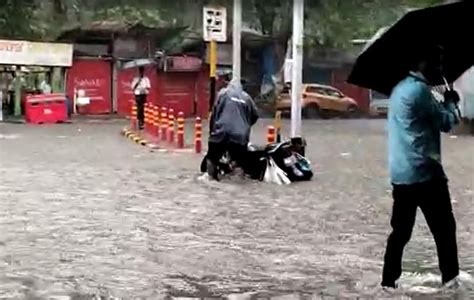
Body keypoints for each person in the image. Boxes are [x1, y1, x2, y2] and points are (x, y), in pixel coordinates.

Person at [382, 50, 461, 289]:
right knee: (444, 230)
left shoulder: (398, 89)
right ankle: (451, 281)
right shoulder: (419, 91)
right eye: (435, 62)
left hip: (401, 173)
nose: (438, 67)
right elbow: (447, 123)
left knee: (401, 232)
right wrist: (450, 102)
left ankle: (388, 281)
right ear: (421, 62)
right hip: (425, 173)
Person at [206, 78, 259, 180]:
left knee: (212, 158)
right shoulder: (247, 98)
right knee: (240, 161)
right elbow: (255, 115)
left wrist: (212, 132)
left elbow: (214, 114)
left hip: (221, 132)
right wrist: (245, 126)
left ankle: (210, 178)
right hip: (240, 135)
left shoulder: (223, 93)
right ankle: (237, 178)